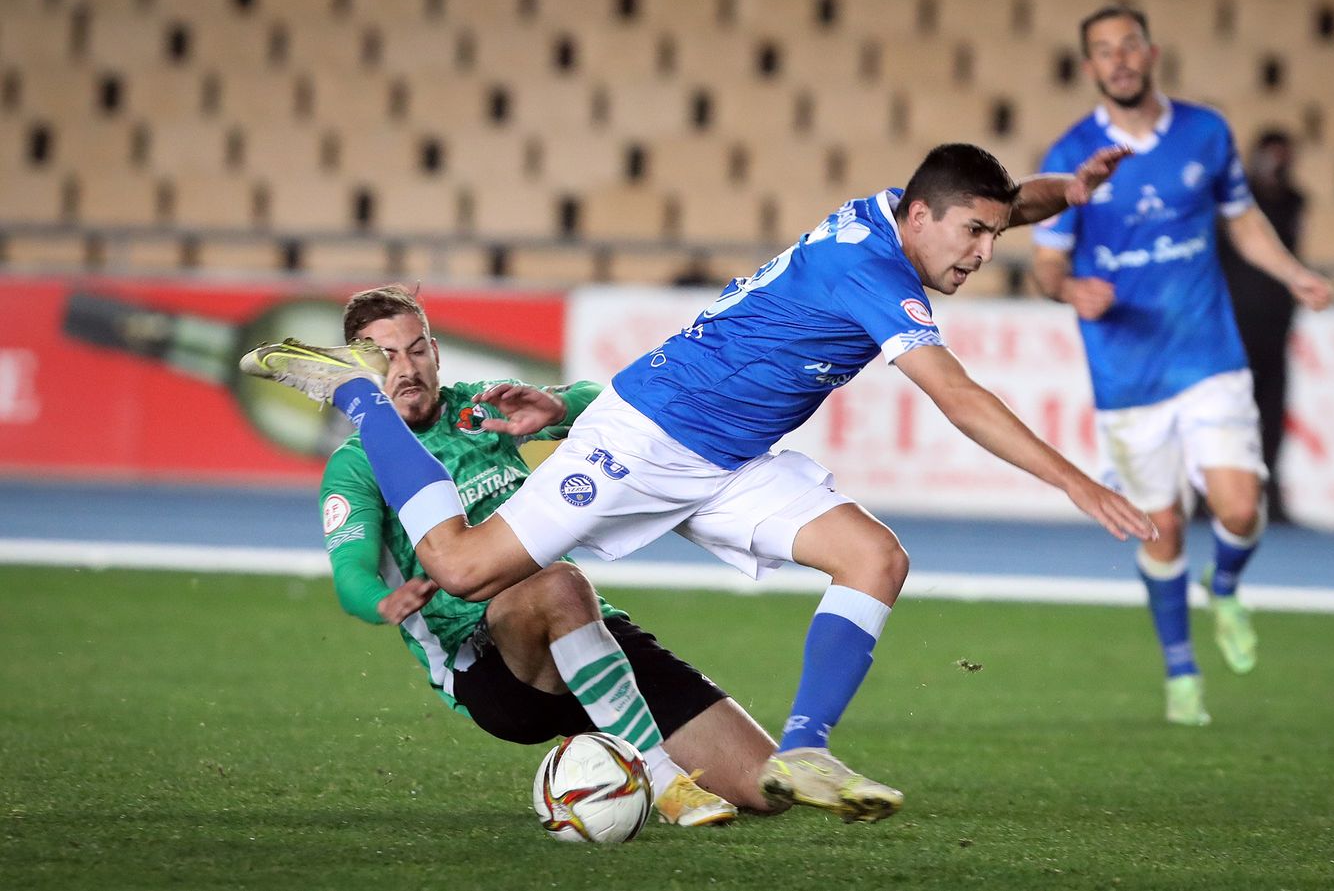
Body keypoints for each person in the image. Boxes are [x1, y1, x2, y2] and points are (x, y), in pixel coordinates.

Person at [244, 143, 1155, 823]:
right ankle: (354, 393)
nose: (982, 254)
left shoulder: (896, 214)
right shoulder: (871, 269)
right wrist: (1076, 482)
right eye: (973, 236)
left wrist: (1063, 193)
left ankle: (806, 749)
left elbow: (990, 199)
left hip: (727, 461)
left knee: (875, 558)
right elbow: (955, 394)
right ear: (918, 218)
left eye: (993, 234)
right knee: (462, 565)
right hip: (649, 435)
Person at [317, 284, 777, 826]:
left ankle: (612, 738)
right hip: (494, 665)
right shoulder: (356, 463)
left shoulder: (477, 408)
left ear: (436, 352)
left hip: (589, 631)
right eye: (385, 355)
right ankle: (659, 775)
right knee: (558, 582)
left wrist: (558, 407)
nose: (407, 368)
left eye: (417, 349)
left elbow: (602, 404)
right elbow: (349, 574)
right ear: (356, 367)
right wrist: (381, 601)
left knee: (768, 787)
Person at [1030, 5, 1333, 726]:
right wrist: (1072, 288)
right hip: (1127, 375)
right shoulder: (1072, 154)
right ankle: (1181, 670)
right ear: (1090, 68)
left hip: (1208, 355)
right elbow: (1045, 264)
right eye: (1104, 51)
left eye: (1129, 45)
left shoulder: (1207, 132)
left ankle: (1224, 585)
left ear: (1151, 52)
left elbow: (1243, 218)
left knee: (1238, 506)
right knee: (1160, 528)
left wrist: (1292, 273)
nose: (1120, 59)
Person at [1218, 129, 1307, 524]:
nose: (1278, 165)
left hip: (1274, 326)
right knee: (1227, 415)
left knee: (1271, 417)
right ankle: (1211, 498)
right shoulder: (1234, 202)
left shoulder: (1294, 202)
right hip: (1233, 325)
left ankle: (1271, 493)